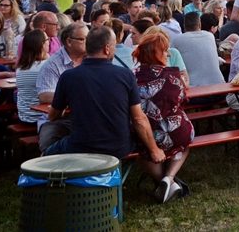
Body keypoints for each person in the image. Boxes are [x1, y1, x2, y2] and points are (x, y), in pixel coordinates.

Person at [44, 27, 164, 166]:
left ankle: (55, 183)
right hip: (118, 147)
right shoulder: (125, 75)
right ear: (107, 48)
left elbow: (53, 116)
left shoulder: (69, 76)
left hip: (81, 146)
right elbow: (138, 118)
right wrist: (154, 149)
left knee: (46, 154)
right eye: (114, 46)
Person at [132, 31, 194, 203]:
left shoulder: (131, 76)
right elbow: (182, 99)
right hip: (177, 131)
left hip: (147, 133)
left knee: (142, 151)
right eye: (165, 50)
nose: (168, 54)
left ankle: (164, 182)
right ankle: (169, 178)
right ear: (157, 53)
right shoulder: (173, 75)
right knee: (184, 143)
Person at [172, 13, 224, 87]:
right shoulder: (210, 36)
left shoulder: (177, 40)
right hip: (219, 87)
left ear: (184, 25)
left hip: (194, 90)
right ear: (199, 24)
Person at [15, 29, 49, 124]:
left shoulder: (21, 67)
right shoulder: (46, 67)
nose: (49, 42)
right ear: (41, 44)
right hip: (41, 118)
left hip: (24, 116)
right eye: (47, 40)